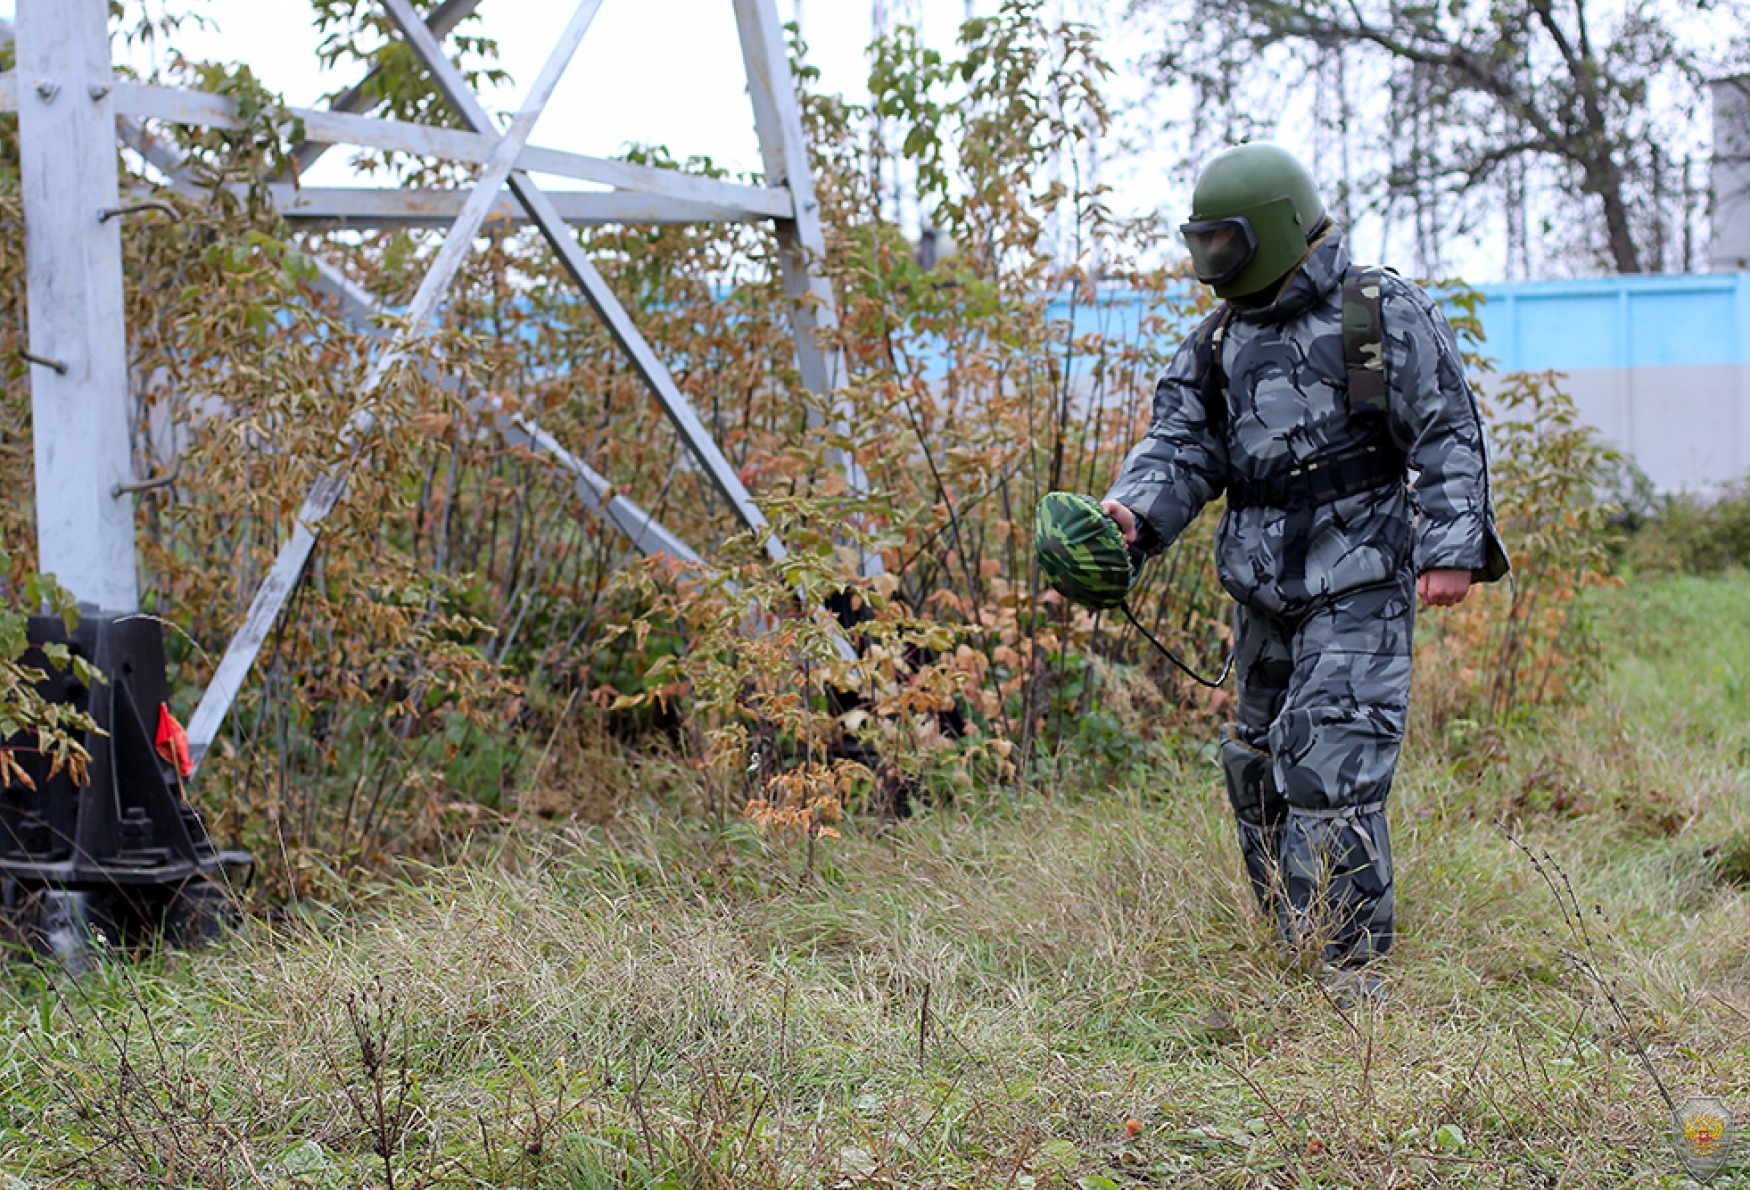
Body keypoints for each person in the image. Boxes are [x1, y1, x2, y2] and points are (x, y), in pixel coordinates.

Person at [1101, 142, 1509, 979]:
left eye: (1228, 242)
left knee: (1330, 761)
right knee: (1255, 768)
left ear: (1278, 230)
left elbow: (1443, 427)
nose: (1214, 261)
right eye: (1203, 243)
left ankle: (1347, 975)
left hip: (1360, 575)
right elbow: (1180, 447)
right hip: (1263, 588)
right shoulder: (1216, 343)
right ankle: (1295, 941)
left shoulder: (1370, 315)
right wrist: (1131, 515)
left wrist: (1452, 547)